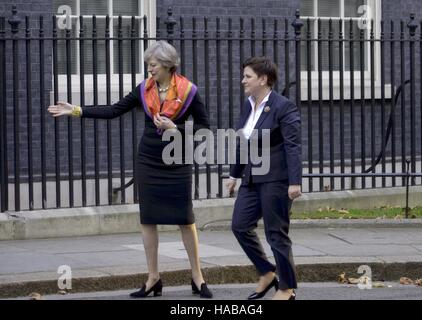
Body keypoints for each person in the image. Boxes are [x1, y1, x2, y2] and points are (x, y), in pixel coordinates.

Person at [47, 41, 213, 299]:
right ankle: (153, 278)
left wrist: (175, 129)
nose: (150, 69)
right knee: (148, 218)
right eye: (148, 65)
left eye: (154, 65)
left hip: (177, 160)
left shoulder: (189, 91)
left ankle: (197, 276)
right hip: (148, 160)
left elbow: (205, 129)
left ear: (168, 65)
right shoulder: (144, 90)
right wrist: (77, 110)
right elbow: (114, 110)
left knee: (185, 218)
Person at [226, 56, 302, 300]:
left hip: (276, 179)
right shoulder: (249, 105)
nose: (243, 81)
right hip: (251, 178)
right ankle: (267, 272)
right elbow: (243, 140)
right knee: (239, 225)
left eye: (248, 76)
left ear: (263, 79)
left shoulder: (283, 106)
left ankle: (287, 289)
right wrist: (234, 174)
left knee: (276, 233)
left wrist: (294, 181)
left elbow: (293, 145)